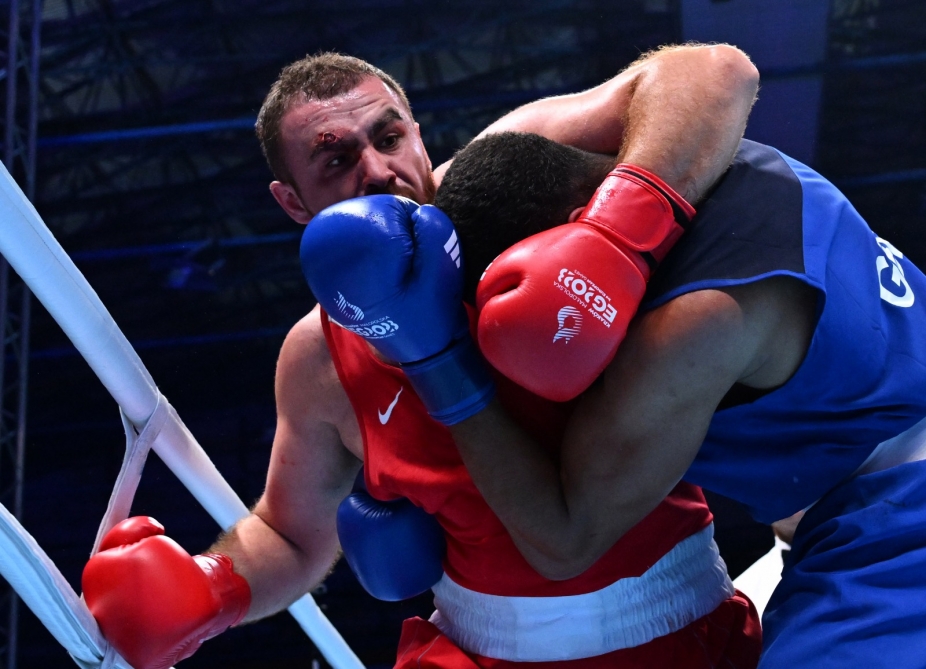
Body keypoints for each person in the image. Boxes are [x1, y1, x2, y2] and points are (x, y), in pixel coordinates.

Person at [80, 46, 762, 669]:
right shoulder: (320, 356)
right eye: (336, 159)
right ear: (292, 201)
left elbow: (713, 71)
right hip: (472, 647)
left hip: (677, 630)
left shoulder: (509, 181)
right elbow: (290, 535)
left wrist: (614, 237)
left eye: (387, 137)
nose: (378, 171)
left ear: (416, 132)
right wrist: (209, 587)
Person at [365, 129, 926, 669]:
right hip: (856, 514)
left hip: (899, 513)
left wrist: (437, 358)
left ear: (566, 243)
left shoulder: (692, 324)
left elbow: (566, 540)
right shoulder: (722, 157)